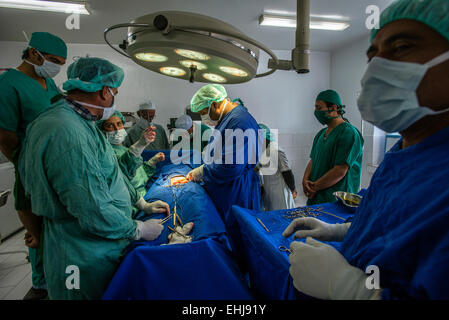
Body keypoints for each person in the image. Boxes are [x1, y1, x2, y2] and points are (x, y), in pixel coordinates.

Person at [283, 0, 449, 300]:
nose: (377, 67)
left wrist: (355, 291)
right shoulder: (403, 151)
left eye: (401, 48)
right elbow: (391, 224)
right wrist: (342, 231)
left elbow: (341, 169)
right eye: (373, 56)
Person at [18, 57, 168, 300]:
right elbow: (91, 207)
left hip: (96, 245)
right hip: (80, 254)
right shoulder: (66, 131)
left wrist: (141, 204)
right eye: (114, 92)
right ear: (104, 91)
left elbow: (112, 173)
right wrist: (136, 229)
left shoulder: (82, 123)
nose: (114, 99)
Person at [0, 32, 67, 300]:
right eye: (52, 60)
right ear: (32, 53)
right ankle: (42, 283)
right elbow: (5, 136)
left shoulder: (48, 83)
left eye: (60, 62)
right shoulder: (8, 84)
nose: (56, 67)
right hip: (30, 163)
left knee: (55, 220)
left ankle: (60, 276)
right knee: (37, 222)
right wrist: (26, 163)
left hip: (54, 161)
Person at [187, 84, 262, 221]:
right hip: (229, 192)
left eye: (203, 112)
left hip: (237, 196)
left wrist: (203, 171)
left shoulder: (240, 122)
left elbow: (230, 167)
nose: (203, 117)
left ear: (215, 105)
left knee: (237, 235)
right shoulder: (227, 119)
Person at [97, 110, 167, 217]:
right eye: (110, 125)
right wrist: (140, 145)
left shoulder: (124, 149)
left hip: (145, 196)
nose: (116, 129)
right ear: (101, 130)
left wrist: (151, 162)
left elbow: (138, 175)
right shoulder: (105, 154)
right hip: (133, 206)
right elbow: (122, 174)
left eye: (119, 124)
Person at [302, 90, 364, 205]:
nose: (316, 112)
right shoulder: (321, 134)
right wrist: (305, 181)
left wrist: (314, 187)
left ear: (334, 108)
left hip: (336, 201)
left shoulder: (348, 133)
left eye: (319, 108)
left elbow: (339, 171)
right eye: (315, 108)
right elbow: (313, 160)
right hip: (316, 197)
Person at [257, 124, 298, 211]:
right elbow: (287, 172)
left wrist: (292, 189)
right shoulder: (266, 151)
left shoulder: (275, 150)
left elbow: (287, 173)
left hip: (277, 194)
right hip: (274, 195)